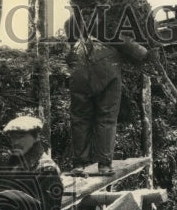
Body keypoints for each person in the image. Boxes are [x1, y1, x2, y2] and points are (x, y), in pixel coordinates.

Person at [65, 13, 155, 176]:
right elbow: (129, 46)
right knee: (106, 117)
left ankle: (79, 164)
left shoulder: (74, 20)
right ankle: (104, 164)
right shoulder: (110, 19)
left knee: (79, 117)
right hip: (107, 68)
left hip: (79, 67)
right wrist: (146, 53)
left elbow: (70, 42)